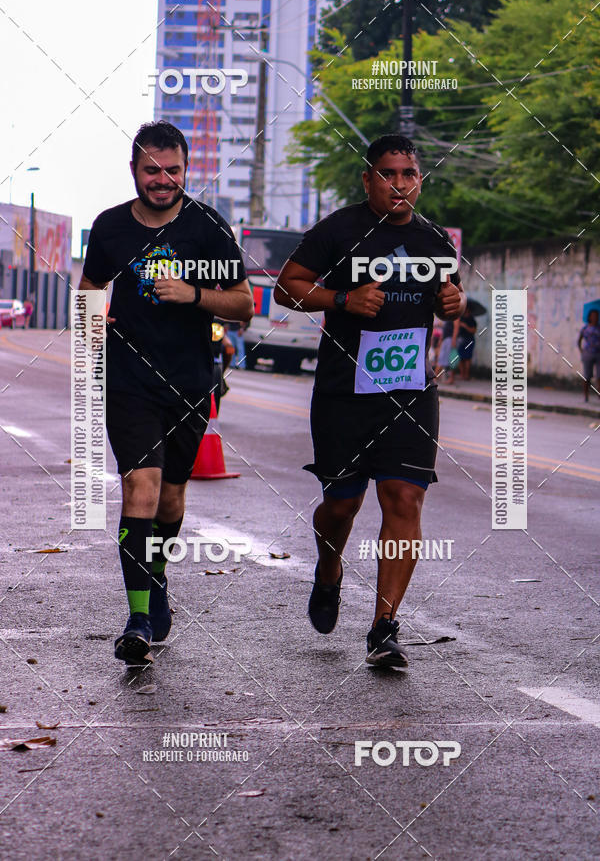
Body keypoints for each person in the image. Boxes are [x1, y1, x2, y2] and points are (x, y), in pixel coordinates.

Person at [274, 133, 466, 668]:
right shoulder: (339, 230)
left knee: (404, 499)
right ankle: (329, 569)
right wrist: (341, 298)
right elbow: (285, 287)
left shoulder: (434, 241)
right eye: (388, 174)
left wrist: (454, 301)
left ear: (419, 181)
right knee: (342, 506)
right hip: (344, 392)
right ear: (369, 180)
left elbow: (449, 298)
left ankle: (384, 627)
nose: (399, 184)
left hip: (409, 391)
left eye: (409, 174)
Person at [79, 120, 253, 665]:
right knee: (142, 491)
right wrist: (91, 339)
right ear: (134, 169)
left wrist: (193, 293)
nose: (162, 180)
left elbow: (244, 304)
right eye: (152, 170)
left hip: (189, 383)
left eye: (172, 170)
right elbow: (89, 291)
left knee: (172, 498)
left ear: (186, 170)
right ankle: (136, 619)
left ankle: (156, 580)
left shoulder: (207, 228)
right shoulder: (109, 228)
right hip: (130, 383)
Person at [578, 308, 600, 401]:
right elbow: (579, 340)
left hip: (598, 353)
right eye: (593, 316)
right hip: (588, 353)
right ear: (590, 317)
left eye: (596, 316)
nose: (595, 318)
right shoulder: (585, 328)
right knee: (587, 375)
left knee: (599, 376)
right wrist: (582, 351)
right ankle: (586, 396)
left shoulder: (599, 328)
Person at [435, 318, 460, 384]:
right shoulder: (448, 317)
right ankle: (436, 377)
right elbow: (444, 329)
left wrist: (454, 340)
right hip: (446, 339)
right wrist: (441, 339)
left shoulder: (456, 316)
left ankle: (449, 378)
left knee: (448, 359)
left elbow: (456, 327)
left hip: (450, 339)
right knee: (443, 359)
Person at [457, 310, 477, 381]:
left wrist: (465, 326)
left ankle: (466, 375)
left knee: (467, 358)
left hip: (469, 340)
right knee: (460, 357)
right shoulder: (460, 318)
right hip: (460, 340)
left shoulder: (472, 320)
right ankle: (462, 374)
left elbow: (473, 331)